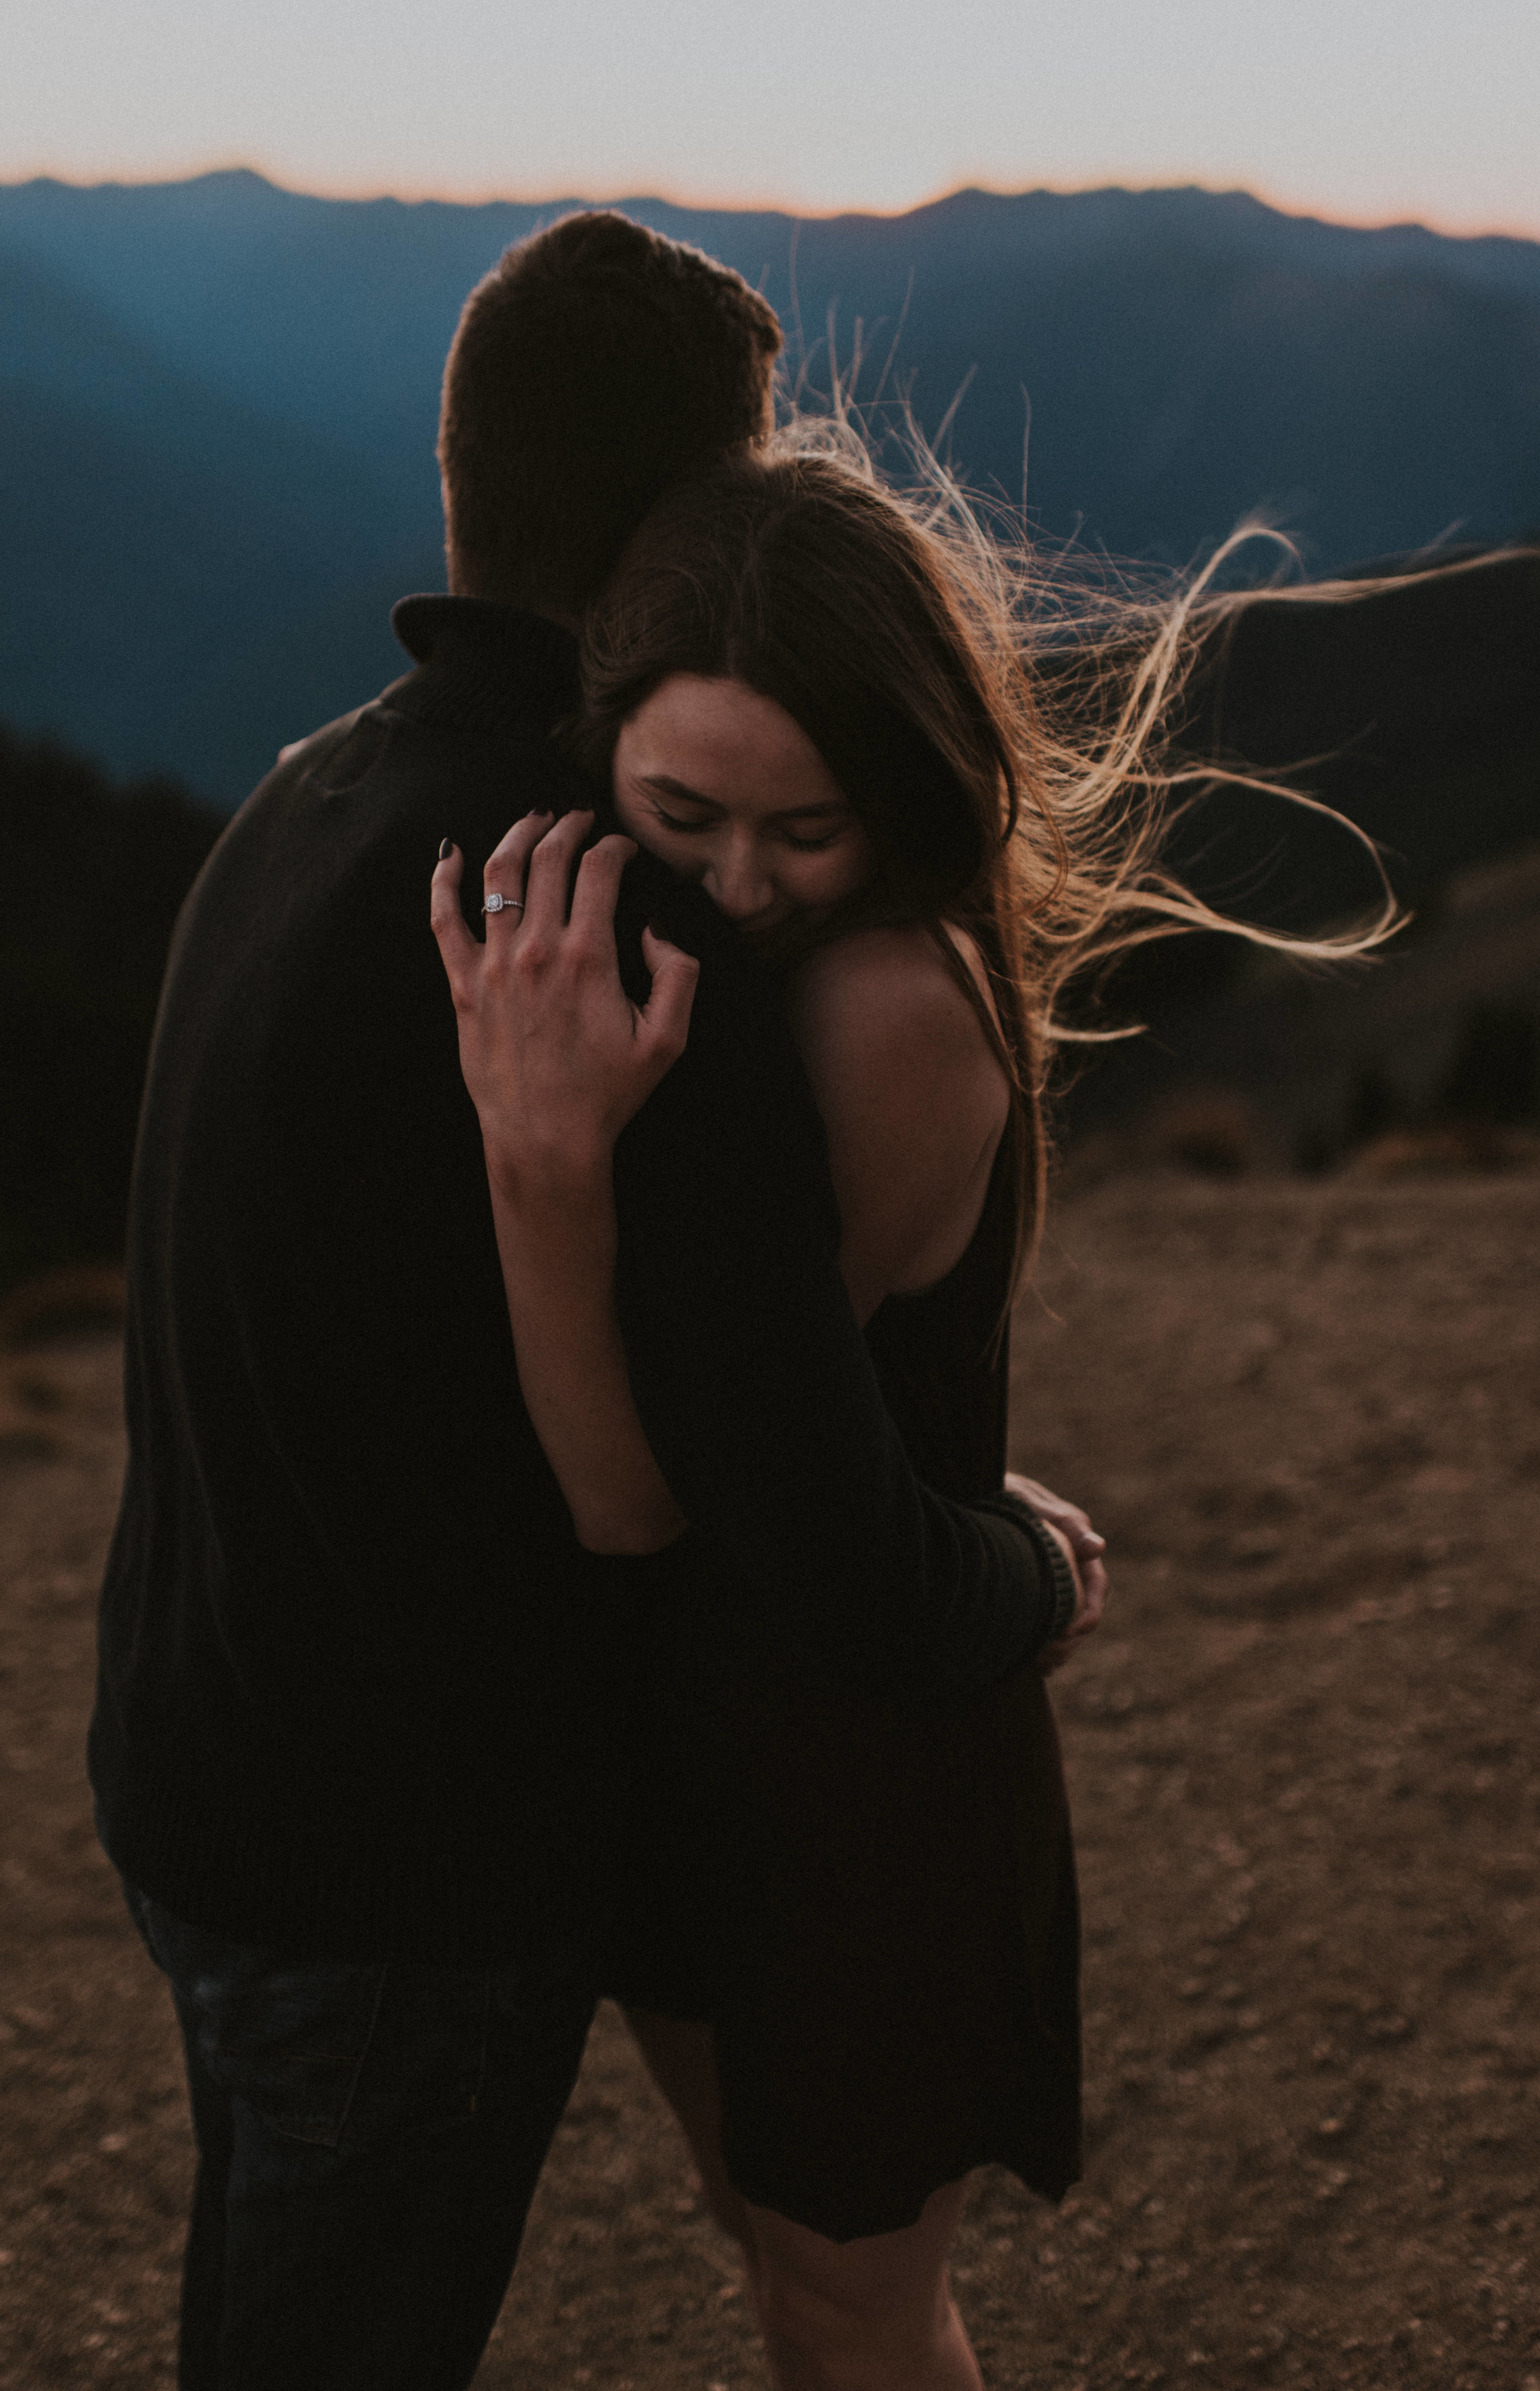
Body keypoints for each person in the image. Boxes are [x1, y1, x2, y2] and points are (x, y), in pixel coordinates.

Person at [92, 213, 1099, 2391]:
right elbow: (774, 1518)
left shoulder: (305, 801)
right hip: (394, 1849)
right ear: (697, 521)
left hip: (193, 1752)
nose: (737, 865)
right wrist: (1021, 1562)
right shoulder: (599, 918)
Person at [432, 432, 1394, 2390]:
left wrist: (542, 1166)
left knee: (848, 2313)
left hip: (857, 1771)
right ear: (595, 749)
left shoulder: (869, 1007)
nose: (739, 881)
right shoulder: (687, 965)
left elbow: (648, 1488)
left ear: (902, 794)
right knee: (790, 2276)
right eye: (683, 809)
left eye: (808, 827)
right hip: (706, 1740)